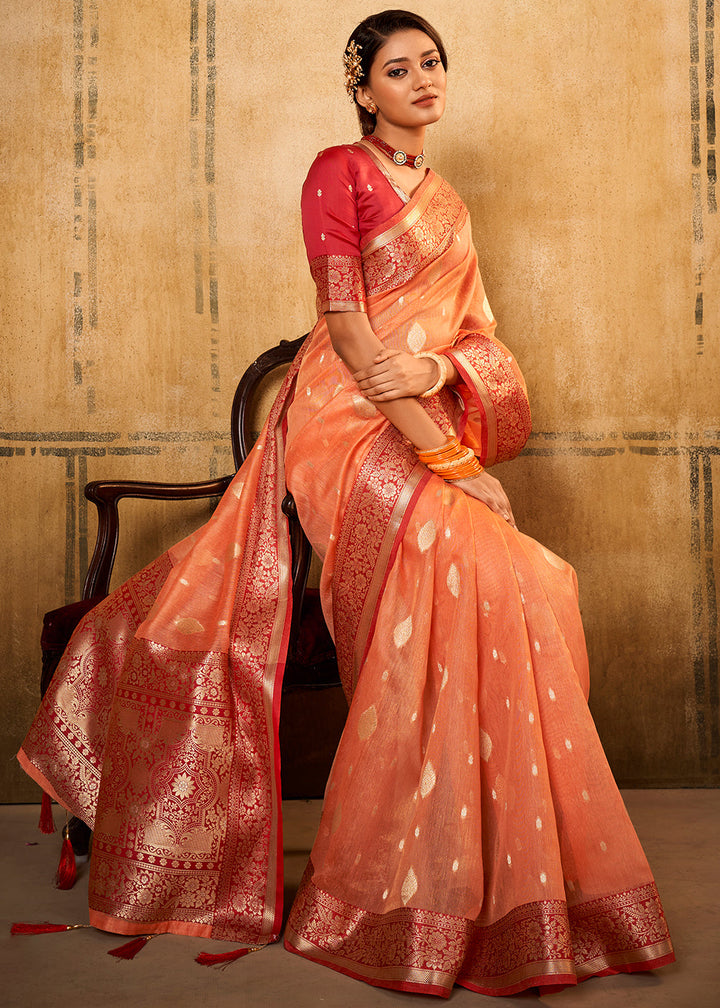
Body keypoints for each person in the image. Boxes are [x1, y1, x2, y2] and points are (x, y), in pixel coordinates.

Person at [19, 9, 674, 998]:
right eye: (398, 68)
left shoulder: (447, 202)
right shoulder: (339, 171)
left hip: (413, 410)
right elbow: (355, 340)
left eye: (433, 63)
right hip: (339, 423)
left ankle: (492, 870)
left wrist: (445, 367)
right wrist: (450, 455)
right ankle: (387, 886)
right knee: (465, 561)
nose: (423, 79)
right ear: (363, 89)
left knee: (521, 578)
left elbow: (472, 341)